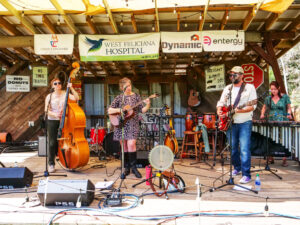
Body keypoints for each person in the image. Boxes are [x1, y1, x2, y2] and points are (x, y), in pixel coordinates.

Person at [217, 66, 257, 184]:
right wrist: (219, 110)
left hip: (244, 122)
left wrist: (239, 111)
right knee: (233, 148)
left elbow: (252, 106)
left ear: (241, 75)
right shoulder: (228, 88)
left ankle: (246, 174)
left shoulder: (249, 88)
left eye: (234, 75)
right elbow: (221, 102)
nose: (231, 77)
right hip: (230, 122)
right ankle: (237, 167)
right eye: (230, 75)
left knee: (244, 149)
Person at [108, 77, 151, 178]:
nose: (129, 88)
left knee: (131, 144)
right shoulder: (119, 98)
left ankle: (134, 168)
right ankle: (127, 168)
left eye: (130, 85)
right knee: (124, 146)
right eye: (126, 86)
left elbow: (142, 110)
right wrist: (121, 110)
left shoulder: (136, 96)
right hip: (121, 124)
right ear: (122, 87)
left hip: (133, 123)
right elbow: (109, 110)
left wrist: (148, 104)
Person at [44, 74, 79, 173]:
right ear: (52, 86)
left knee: (66, 140)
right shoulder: (49, 96)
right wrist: (55, 115)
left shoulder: (65, 93)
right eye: (55, 83)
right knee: (52, 142)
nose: (58, 85)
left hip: (65, 120)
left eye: (59, 83)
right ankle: (51, 163)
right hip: (52, 120)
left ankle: (68, 160)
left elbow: (76, 98)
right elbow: (46, 111)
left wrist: (71, 87)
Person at [260, 81, 292, 166]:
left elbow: (289, 108)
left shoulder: (285, 97)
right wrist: (262, 114)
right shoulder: (268, 98)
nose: (273, 91)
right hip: (271, 120)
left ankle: (284, 159)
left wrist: (289, 114)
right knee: (270, 138)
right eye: (271, 89)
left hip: (283, 120)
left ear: (278, 88)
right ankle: (271, 157)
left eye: (274, 89)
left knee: (284, 139)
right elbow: (264, 108)